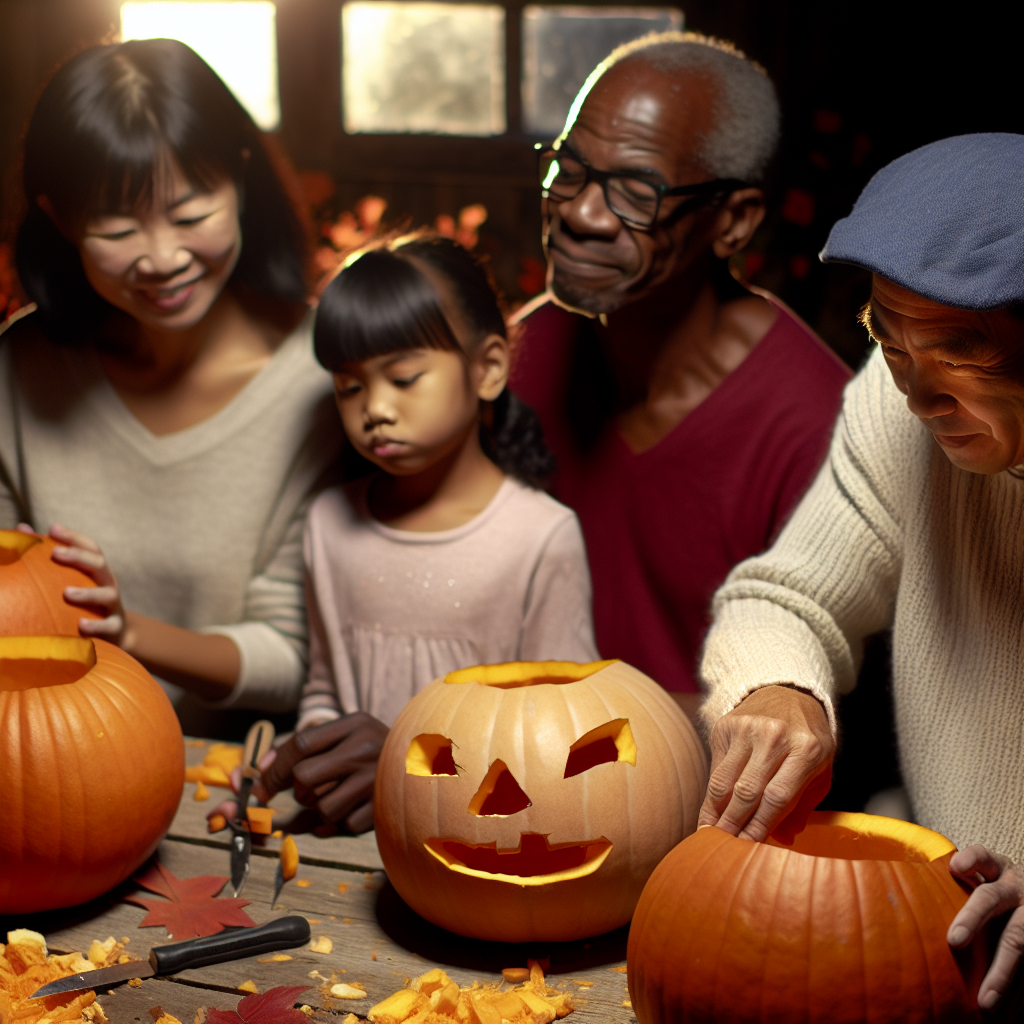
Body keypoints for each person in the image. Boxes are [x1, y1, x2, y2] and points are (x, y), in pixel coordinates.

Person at [698, 133, 1024, 1013]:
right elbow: (788, 594)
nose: (920, 396)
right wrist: (778, 686)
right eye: (891, 339)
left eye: (962, 347)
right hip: (933, 940)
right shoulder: (898, 405)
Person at [0, 39, 343, 735]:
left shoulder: (325, 376)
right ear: (61, 220)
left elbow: (291, 658)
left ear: (239, 180)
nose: (162, 259)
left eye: (191, 215)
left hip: (227, 780)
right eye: (119, 227)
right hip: (39, 754)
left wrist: (126, 631)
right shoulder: (22, 364)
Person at [510, 32, 851, 721]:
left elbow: (803, 724)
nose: (578, 213)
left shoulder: (817, 430)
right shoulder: (526, 350)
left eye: (636, 191)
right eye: (568, 169)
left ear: (734, 222)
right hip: (515, 775)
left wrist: (532, 728)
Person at [218, 235, 599, 834]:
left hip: (483, 840)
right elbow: (325, 687)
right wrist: (300, 767)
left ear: (488, 369)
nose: (374, 408)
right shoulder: (328, 523)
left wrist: (402, 765)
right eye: (349, 387)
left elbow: (562, 740)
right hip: (343, 841)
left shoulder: (540, 536)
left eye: (403, 377)